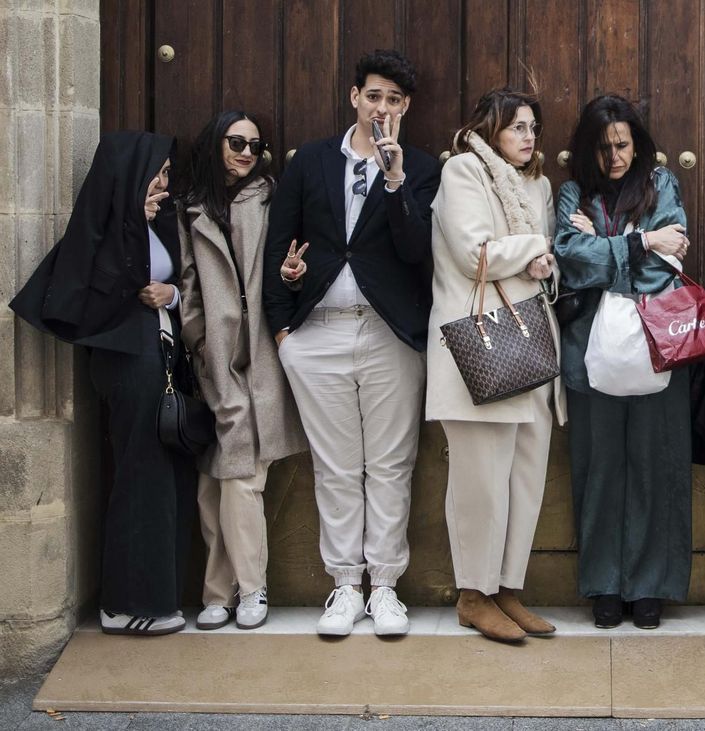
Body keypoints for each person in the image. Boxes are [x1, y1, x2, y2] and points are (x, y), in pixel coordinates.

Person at [262, 49, 440, 637]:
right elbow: (277, 245)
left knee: (390, 463)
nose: (382, 108)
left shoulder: (417, 168)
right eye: (374, 96)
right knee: (336, 466)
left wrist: (393, 179)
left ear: (405, 106)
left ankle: (385, 587)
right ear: (354, 98)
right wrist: (284, 329)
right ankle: (344, 585)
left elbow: (417, 251)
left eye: (394, 99)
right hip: (317, 335)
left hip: (390, 334)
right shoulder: (311, 161)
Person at [10, 131, 195, 635]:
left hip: (163, 356)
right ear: (129, 176)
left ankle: (160, 596)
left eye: (166, 173)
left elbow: (173, 284)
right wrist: (136, 223)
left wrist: (173, 294)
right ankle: (127, 604)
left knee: (168, 473)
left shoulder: (162, 223)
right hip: (126, 358)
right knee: (141, 473)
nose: (163, 182)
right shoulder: (108, 229)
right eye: (155, 173)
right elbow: (106, 287)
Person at [426, 85, 565, 643]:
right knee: (480, 483)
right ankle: (472, 595)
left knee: (524, 481)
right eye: (516, 127)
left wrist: (541, 257)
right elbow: (472, 254)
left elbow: (543, 256)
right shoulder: (464, 171)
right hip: (482, 348)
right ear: (490, 129)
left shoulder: (540, 183)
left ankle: (508, 590)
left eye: (533, 127)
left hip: (531, 346)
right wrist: (533, 250)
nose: (527, 137)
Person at [554, 94, 692, 630]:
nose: (615, 157)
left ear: (637, 143)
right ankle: (604, 585)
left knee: (654, 464)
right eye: (605, 146)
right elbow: (570, 260)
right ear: (589, 148)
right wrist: (639, 242)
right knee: (600, 467)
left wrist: (607, 245)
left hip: (657, 344)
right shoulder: (573, 193)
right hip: (590, 349)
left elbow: (666, 265)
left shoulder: (662, 186)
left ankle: (649, 585)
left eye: (623, 144)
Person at [175, 111, 309, 632]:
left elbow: (289, 260)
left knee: (240, 476)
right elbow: (189, 283)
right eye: (237, 142)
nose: (247, 152)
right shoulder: (191, 208)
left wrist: (291, 281)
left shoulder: (269, 197)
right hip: (217, 356)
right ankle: (228, 590)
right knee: (217, 478)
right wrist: (200, 340)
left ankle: (243, 590)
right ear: (215, 145)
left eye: (255, 145)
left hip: (263, 353)